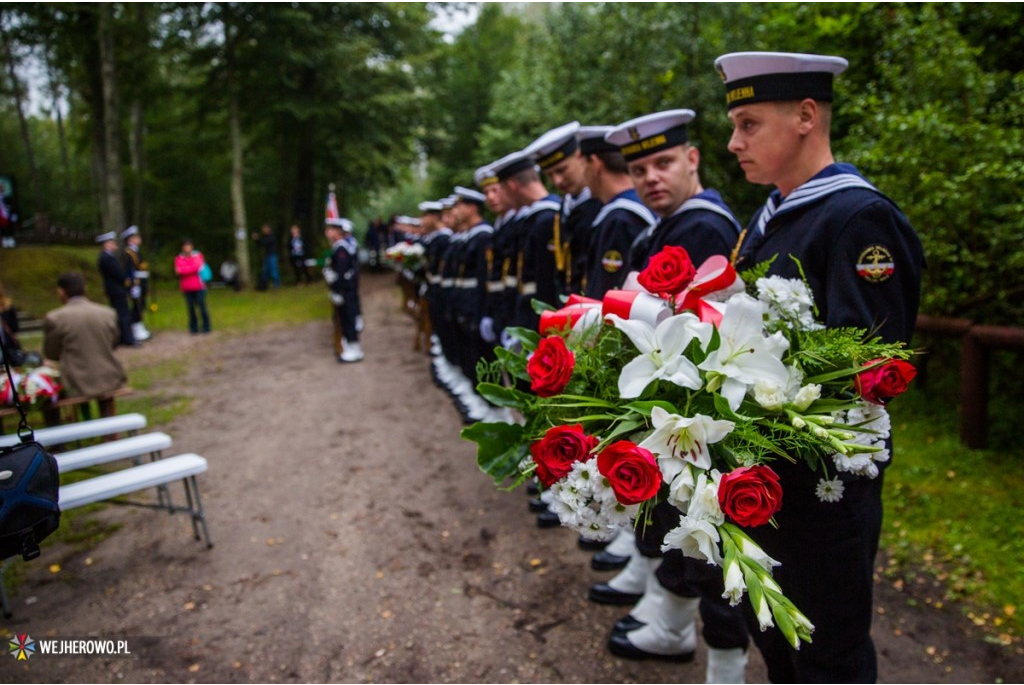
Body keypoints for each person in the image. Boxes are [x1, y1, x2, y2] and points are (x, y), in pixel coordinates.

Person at [717, 50, 925, 683]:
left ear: (806, 115)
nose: (733, 143)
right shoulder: (774, 214)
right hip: (770, 482)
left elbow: (865, 369)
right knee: (781, 649)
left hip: (823, 492)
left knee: (828, 658)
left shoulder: (858, 218)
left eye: (749, 124)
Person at [599, 109, 749, 681]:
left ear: (693, 160)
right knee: (681, 530)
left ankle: (713, 652)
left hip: (698, 407)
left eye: (663, 163)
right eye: (638, 169)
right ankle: (672, 622)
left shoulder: (702, 225)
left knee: (704, 537)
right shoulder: (675, 220)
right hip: (675, 401)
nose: (650, 178)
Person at [523, 121, 603, 296]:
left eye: (562, 170)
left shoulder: (602, 205)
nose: (557, 181)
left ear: (581, 157)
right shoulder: (564, 208)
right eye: (550, 175)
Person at [576, 125, 657, 298]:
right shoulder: (644, 203)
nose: (582, 174)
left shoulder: (620, 219)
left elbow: (606, 295)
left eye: (583, 164)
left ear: (596, 164)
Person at [41, 272, 126, 399]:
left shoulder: (55, 318)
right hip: (111, 379)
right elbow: (113, 343)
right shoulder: (108, 313)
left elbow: (51, 353)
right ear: (84, 289)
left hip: (76, 384)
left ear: (61, 292)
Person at [324, 218, 363, 362]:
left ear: (338, 231)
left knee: (348, 319)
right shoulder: (340, 246)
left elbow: (342, 273)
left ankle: (354, 349)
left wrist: (337, 290)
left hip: (345, 290)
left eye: (331, 229)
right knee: (346, 318)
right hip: (345, 290)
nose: (328, 232)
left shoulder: (341, 248)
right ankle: (352, 347)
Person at [96, 230, 136, 347]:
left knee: (120, 313)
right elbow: (117, 273)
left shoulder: (109, 257)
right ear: (106, 244)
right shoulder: (106, 258)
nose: (114, 245)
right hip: (116, 289)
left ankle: (122, 336)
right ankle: (127, 338)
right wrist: (126, 280)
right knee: (123, 313)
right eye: (112, 243)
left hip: (115, 289)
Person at [120, 225, 151, 342]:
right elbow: (128, 271)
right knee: (136, 306)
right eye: (136, 237)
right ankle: (135, 327)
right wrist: (132, 285)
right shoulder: (128, 253)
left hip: (141, 281)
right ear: (130, 240)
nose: (139, 239)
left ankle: (139, 325)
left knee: (141, 304)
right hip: (135, 283)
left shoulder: (136, 252)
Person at [174, 238, 211, 334]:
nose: (187, 248)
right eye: (186, 246)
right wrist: (190, 269)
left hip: (198, 286)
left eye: (189, 246)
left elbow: (197, 267)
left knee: (202, 306)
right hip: (186, 287)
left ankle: (206, 326)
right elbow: (179, 271)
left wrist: (186, 269)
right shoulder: (179, 258)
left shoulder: (198, 256)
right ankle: (193, 328)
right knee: (191, 308)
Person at [252, 223, 281, 290]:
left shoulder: (272, 237)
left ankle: (276, 284)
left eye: (265, 229)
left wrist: (257, 238)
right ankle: (264, 285)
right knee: (265, 271)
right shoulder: (266, 237)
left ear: (269, 229)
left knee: (274, 271)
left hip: (272, 255)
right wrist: (257, 240)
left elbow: (264, 242)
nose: (263, 230)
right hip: (267, 255)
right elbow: (261, 244)